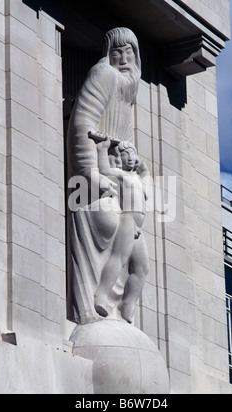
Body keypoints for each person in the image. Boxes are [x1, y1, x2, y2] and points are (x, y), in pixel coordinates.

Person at [66, 27, 147, 324]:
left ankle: (125, 309)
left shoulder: (129, 88)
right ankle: (98, 299)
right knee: (113, 231)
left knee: (141, 265)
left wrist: (135, 167)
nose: (124, 58)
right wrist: (90, 172)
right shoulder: (105, 75)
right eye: (117, 52)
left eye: (130, 52)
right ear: (107, 56)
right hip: (96, 182)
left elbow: (125, 139)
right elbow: (82, 122)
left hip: (121, 188)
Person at [94, 138, 149, 323]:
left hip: (139, 227)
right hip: (128, 220)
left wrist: (145, 173)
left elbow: (147, 194)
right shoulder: (122, 175)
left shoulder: (138, 179)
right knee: (119, 258)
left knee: (142, 269)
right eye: (127, 155)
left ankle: (128, 304)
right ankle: (101, 295)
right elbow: (104, 171)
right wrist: (102, 149)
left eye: (133, 154)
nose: (131, 158)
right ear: (120, 158)